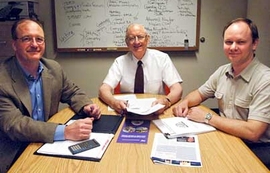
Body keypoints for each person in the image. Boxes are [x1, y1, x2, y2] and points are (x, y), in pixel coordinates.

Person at [0, 18, 101, 172]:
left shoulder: (53, 68)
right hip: (16, 150)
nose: (35, 44)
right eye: (27, 39)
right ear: (14, 44)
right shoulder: (3, 79)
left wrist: (86, 105)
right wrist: (65, 131)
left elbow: (72, 91)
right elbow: (15, 125)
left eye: (39, 39)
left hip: (49, 144)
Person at [173, 18, 270, 168]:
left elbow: (253, 132)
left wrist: (207, 117)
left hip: (255, 149)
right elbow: (199, 94)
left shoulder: (265, 80)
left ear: (255, 44)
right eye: (228, 42)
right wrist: (185, 102)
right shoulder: (223, 71)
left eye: (241, 42)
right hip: (227, 136)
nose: (233, 47)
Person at [99, 23, 183, 114]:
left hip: (155, 110)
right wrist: (114, 102)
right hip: (127, 111)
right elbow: (103, 89)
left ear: (147, 39)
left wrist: (166, 101)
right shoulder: (120, 62)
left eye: (140, 37)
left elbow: (177, 88)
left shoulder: (162, 59)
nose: (136, 42)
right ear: (127, 43)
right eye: (131, 38)